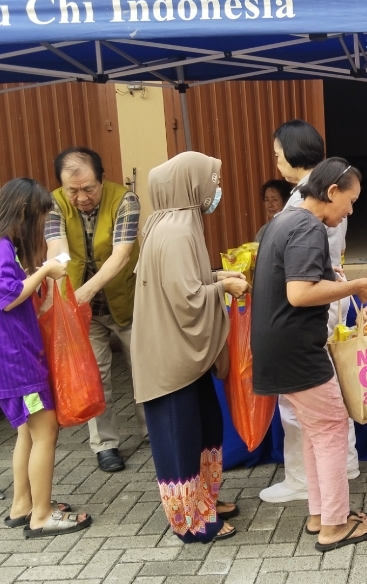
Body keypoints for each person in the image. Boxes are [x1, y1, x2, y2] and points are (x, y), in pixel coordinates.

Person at [251, 157, 367, 551]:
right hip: (296, 349)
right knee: (331, 427)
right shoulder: (308, 226)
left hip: (275, 347)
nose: (351, 210)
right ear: (332, 192)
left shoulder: (284, 221)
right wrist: (354, 285)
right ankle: (335, 526)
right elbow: (300, 293)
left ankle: (320, 513)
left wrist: (332, 279)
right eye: (351, 200)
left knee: (315, 429)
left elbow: (294, 278)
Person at [131, 151, 249, 543]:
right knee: (181, 438)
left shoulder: (168, 223)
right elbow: (187, 299)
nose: (215, 190)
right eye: (211, 181)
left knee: (203, 427)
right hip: (171, 359)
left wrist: (216, 276)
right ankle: (191, 523)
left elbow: (184, 282)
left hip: (178, 354)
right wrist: (223, 288)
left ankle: (203, 502)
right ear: (190, 184)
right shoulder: (178, 231)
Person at [0, 178, 91, 537]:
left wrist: (33, 275)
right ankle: (42, 514)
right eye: (38, 217)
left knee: (27, 431)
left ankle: (23, 504)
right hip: (15, 361)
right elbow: (8, 296)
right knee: (45, 431)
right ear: (23, 212)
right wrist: (45, 272)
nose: (39, 226)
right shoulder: (1, 247)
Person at [259, 120, 362, 504]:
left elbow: (301, 289)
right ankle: (329, 482)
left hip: (311, 312)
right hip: (310, 309)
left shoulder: (307, 210)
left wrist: (351, 286)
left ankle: (312, 482)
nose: (349, 210)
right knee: (326, 406)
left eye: (277, 154)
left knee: (311, 407)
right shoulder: (303, 208)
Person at [45, 147, 143, 473]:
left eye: (89, 188)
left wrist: (85, 291)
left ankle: (155, 434)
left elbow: (121, 255)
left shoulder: (125, 200)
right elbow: (57, 251)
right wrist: (61, 294)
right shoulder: (54, 204)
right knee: (95, 377)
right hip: (82, 314)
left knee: (143, 371)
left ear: (102, 178)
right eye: (73, 190)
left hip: (125, 302)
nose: (82, 197)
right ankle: (105, 445)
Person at [254, 179, 288, 244]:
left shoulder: (294, 228)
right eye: (267, 200)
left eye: (274, 200)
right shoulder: (263, 232)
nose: (270, 205)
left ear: (285, 201)